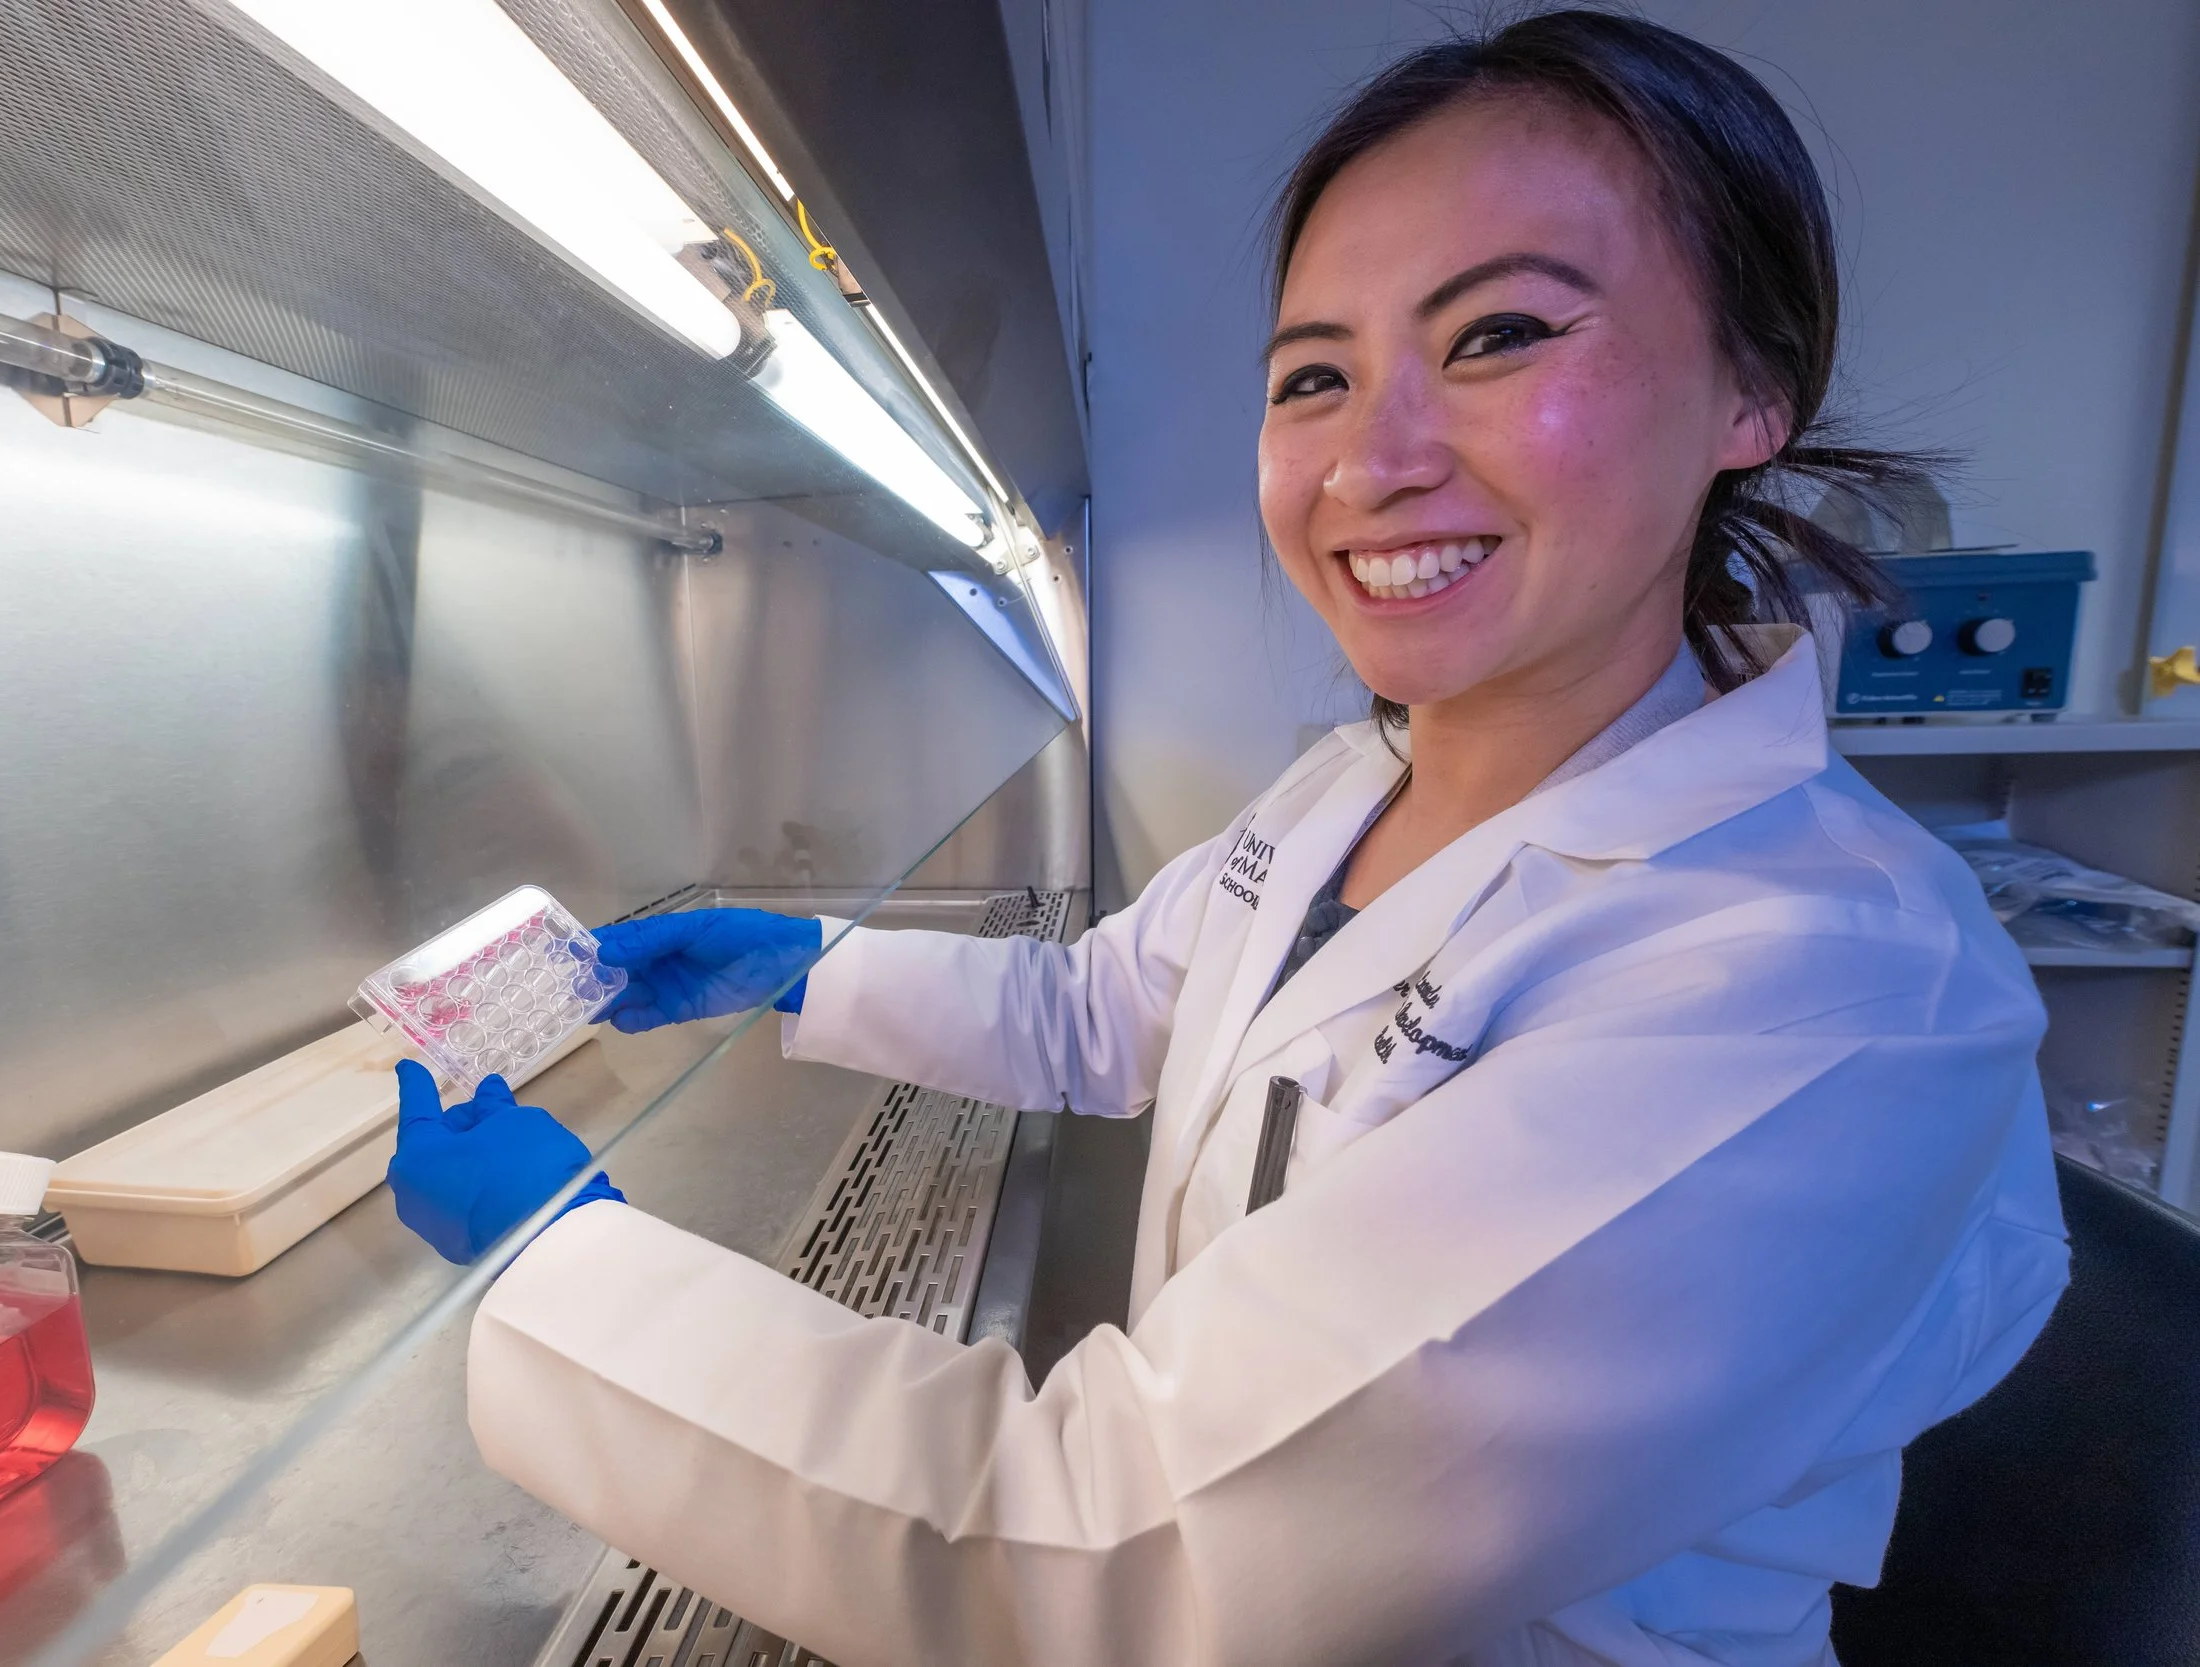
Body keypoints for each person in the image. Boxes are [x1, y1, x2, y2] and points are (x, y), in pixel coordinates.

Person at [387, 12, 2069, 1663]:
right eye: (1314, 377)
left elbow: (1114, 1551)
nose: (1374, 461)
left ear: (1750, 393)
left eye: (1497, 338)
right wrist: (800, 966)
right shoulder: (1352, 787)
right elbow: (1111, 1010)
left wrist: (558, 1260)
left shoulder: (1820, 988)